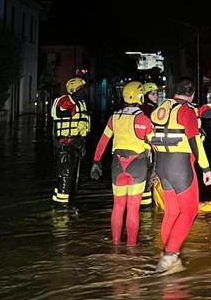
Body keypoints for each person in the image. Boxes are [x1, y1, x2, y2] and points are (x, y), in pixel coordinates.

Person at [150, 76, 211, 274]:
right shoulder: (186, 111)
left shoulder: (162, 108)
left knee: (171, 212)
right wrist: (206, 169)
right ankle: (169, 256)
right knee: (190, 211)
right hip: (180, 166)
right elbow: (195, 141)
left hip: (162, 164)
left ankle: (167, 254)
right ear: (192, 93)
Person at [90, 80, 154, 245]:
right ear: (140, 97)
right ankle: (131, 247)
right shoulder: (144, 120)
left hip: (117, 165)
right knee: (133, 208)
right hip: (137, 165)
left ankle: (115, 245)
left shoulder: (114, 118)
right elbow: (156, 146)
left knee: (118, 206)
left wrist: (96, 161)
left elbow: (103, 141)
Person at [50, 76, 90, 205]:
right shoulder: (63, 101)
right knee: (65, 176)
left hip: (76, 145)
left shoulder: (81, 104)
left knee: (74, 180)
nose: (83, 92)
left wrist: (82, 143)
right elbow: (64, 107)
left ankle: (68, 203)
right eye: (80, 89)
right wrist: (76, 96)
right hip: (64, 146)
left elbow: (83, 126)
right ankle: (61, 209)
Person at [139, 81, 159, 208]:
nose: (156, 96)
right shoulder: (148, 110)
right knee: (149, 176)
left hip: (143, 149)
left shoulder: (143, 109)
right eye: (153, 94)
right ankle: (147, 206)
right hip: (149, 148)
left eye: (156, 93)